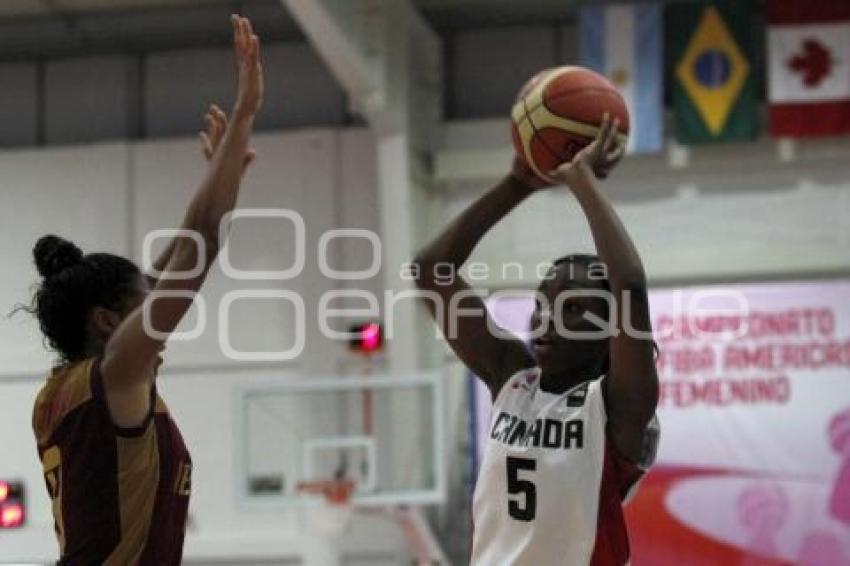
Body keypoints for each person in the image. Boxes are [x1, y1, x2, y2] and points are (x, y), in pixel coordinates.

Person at [28, 15, 263, 565]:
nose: (158, 321)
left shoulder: (68, 388)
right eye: (143, 307)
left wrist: (227, 162)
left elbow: (190, 239)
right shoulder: (114, 377)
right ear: (108, 322)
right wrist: (247, 112)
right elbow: (201, 244)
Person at [413, 115, 659, 565]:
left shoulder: (618, 407)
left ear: (610, 334)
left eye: (573, 309)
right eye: (543, 303)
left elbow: (629, 284)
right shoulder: (512, 377)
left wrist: (581, 182)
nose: (547, 319)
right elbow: (432, 271)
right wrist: (517, 184)